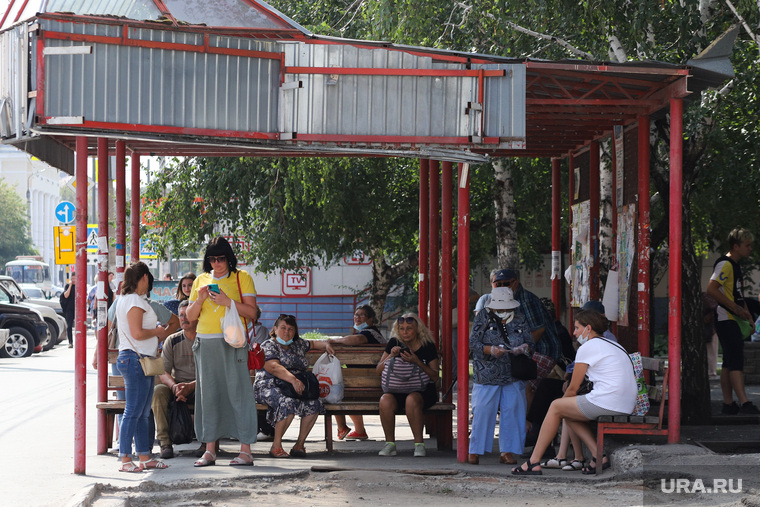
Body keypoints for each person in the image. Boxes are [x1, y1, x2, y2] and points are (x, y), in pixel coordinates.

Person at [512, 310, 636, 475]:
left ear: (588, 328)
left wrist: (557, 408)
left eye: (577, 328)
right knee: (567, 411)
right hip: (625, 402)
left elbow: (573, 387)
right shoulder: (612, 344)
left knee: (556, 406)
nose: (574, 332)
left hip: (610, 400)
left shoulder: (589, 346)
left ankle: (533, 462)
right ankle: (598, 456)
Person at [186, 237, 260, 467]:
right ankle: (210, 450)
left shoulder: (242, 277)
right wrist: (199, 299)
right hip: (205, 342)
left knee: (239, 394)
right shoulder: (200, 280)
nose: (216, 263)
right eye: (212, 259)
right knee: (208, 396)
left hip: (233, 343)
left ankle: (246, 450)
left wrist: (228, 302)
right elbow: (189, 318)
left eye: (220, 258)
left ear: (229, 258)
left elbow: (253, 313)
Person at [116, 261, 172, 473]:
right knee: (133, 411)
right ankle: (125, 459)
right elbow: (137, 333)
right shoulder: (133, 301)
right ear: (145, 278)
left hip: (141, 360)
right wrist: (157, 332)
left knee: (141, 412)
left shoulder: (130, 299)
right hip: (135, 359)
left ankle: (144, 457)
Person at [253, 314, 335, 457]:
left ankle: (299, 445)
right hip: (269, 385)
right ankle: (276, 446)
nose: (287, 332)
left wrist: (326, 344)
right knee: (288, 402)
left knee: (314, 403)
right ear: (275, 329)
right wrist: (294, 380)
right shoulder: (268, 346)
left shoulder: (298, 344)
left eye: (291, 329)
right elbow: (273, 367)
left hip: (293, 386)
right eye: (283, 328)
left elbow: (314, 344)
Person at [468, 287, 532, 465]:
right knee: (482, 411)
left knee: (513, 411)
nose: (503, 310)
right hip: (487, 372)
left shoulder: (519, 317)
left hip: (513, 372)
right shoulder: (483, 316)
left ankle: (507, 451)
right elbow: (473, 343)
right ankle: (475, 450)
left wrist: (523, 348)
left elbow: (530, 341)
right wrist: (490, 349)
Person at [706, 227, 760, 415]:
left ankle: (729, 404)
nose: (750, 248)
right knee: (735, 361)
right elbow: (711, 289)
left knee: (729, 362)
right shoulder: (726, 265)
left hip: (732, 319)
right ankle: (744, 403)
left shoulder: (734, 266)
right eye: (747, 245)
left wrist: (747, 315)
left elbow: (737, 295)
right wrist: (736, 309)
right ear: (735, 246)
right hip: (726, 318)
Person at [376, 313, 440, 457]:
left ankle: (419, 444)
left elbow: (435, 376)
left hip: (422, 390)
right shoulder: (394, 342)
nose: (405, 332)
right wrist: (391, 356)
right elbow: (378, 370)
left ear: (418, 329)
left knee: (411, 399)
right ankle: (390, 444)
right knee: (385, 400)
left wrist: (417, 361)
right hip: (396, 389)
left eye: (409, 328)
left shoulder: (427, 345)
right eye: (402, 328)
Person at [497, 269, 562, 402]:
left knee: (523, 384)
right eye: (499, 284)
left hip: (544, 350)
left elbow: (539, 330)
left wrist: (517, 350)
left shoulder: (525, 300)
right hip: (531, 350)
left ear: (516, 283)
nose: (503, 287)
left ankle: (525, 421)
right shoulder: (510, 300)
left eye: (506, 283)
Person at [328, 304, 387, 441]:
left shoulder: (368, 333)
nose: (357, 318)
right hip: (373, 382)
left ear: (371, 319)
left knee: (335, 390)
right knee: (342, 385)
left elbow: (356, 340)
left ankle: (343, 427)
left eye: (361, 315)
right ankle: (358, 430)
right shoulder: (375, 334)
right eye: (356, 315)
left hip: (367, 384)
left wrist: (331, 341)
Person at [153, 300, 198, 459]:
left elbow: (211, 373)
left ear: (197, 315)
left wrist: (191, 386)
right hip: (178, 386)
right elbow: (163, 371)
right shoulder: (172, 340)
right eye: (181, 315)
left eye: (188, 315)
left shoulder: (205, 339)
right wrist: (174, 387)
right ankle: (165, 443)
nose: (184, 319)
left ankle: (208, 443)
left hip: (200, 386)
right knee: (158, 391)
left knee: (210, 391)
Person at [59, 279, 76, 348]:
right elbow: (66, 295)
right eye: (73, 278)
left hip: (78, 308)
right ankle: (70, 342)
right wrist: (70, 285)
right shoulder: (68, 286)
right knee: (69, 326)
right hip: (69, 308)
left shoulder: (79, 285)